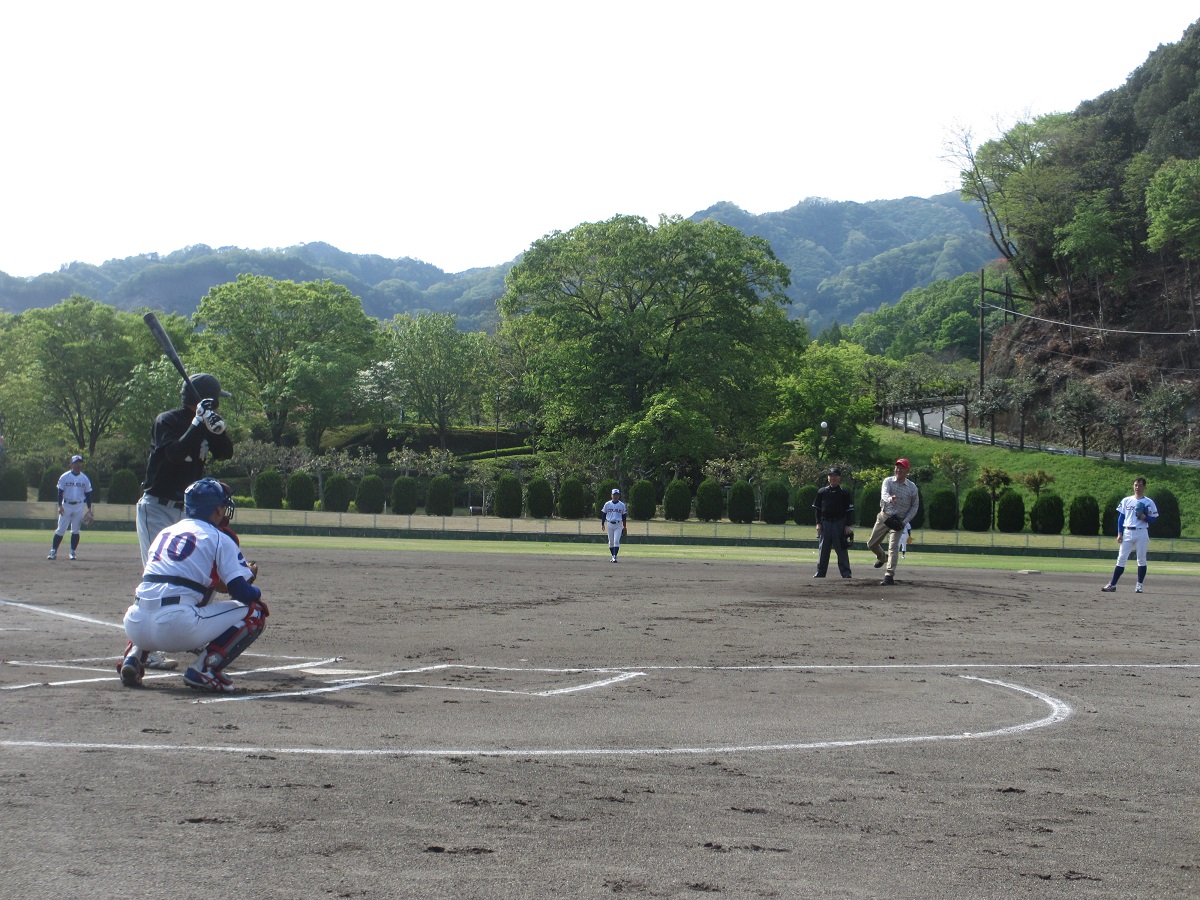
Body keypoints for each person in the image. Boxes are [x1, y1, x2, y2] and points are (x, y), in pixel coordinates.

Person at [118, 478, 267, 692]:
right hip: (175, 627)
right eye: (224, 506)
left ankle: (133, 657)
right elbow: (241, 592)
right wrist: (256, 589)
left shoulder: (165, 533)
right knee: (256, 612)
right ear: (217, 509)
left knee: (157, 595)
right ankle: (205, 669)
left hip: (135, 625)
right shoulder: (219, 537)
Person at [135, 373, 234, 670]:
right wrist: (195, 424)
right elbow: (175, 455)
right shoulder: (167, 420)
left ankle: (190, 630)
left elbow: (225, 453)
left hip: (188, 512)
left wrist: (217, 429)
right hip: (158, 507)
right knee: (158, 575)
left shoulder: (205, 422)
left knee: (199, 574)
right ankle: (143, 651)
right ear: (207, 398)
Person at [867, 458, 920, 586]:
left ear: (907, 470)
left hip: (899, 521)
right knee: (871, 544)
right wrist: (890, 498)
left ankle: (889, 576)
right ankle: (882, 557)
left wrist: (905, 522)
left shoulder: (912, 488)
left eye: (902, 467)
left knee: (893, 547)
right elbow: (884, 494)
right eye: (897, 467)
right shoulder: (888, 481)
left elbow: (914, 507)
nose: (898, 469)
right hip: (885, 516)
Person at [1101, 476, 1158, 594]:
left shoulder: (1148, 502)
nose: (1137, 487)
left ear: (1144, 487)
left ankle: (1139, 585)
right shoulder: (1126, 500)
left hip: (1141, 531)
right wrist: (1119, 533)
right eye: (1136, 485)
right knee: (1121, 558)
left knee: (1141, 559)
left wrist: (1144, 517)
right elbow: (1121, 518)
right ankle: (1112, 584)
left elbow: (1153, 520)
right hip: (1127, 532)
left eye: (1140, 485)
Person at [811, 466, 854, 578]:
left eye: (835, 475)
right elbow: (818, 509)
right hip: (825, 523)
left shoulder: (844, 493)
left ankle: (846, 573)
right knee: (823, 550)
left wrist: (848, 525)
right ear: (828, 478)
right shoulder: (822, 492)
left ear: (839, 478)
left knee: (841, 549)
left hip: (839, 523)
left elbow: (849, 511)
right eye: (830, 475)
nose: (833, 478)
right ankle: (821, 572)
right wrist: (818, 523)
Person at [48, 454, 93, 561]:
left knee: (76, 530)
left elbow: (88, 494)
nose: (78, 465)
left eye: (80, 462)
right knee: (60, 530)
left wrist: (90, 509)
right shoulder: (64, 477)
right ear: (71, 464)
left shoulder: (84, 478)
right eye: (76, 462)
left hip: (79, 506)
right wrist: (60, 505)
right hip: (66, 505)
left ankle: (73, 552)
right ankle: (53, 551)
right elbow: (60, 492)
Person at [601, 487, 628, 562]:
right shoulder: (607, 504)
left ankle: (614, 556)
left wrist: (624, 526)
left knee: (616, 540)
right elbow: (604, 513)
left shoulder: (622, 505)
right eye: (614, 494)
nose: (615, 496)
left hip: (618, 525)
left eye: (617, 495)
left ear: (619, 496)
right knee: (611, 541)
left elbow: (624, 516)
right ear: (611, 495)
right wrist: (602, 524)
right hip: (609, 524)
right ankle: (613, 555)